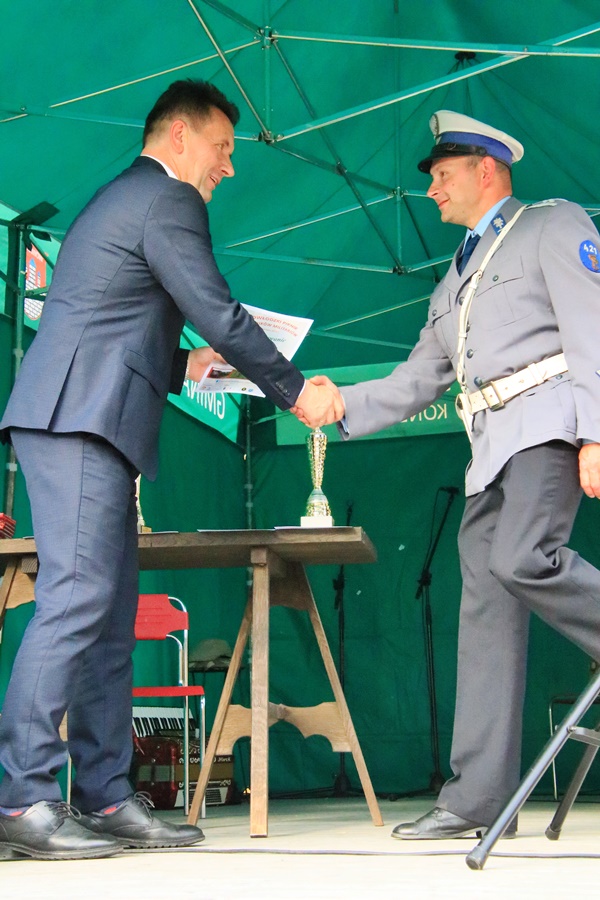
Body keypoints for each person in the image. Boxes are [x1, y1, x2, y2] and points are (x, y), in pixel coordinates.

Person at [0, 79, 337, 860]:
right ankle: (22, 798)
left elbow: (109, 322)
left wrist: (189, 366)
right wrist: (294, 391)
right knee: (76, 601)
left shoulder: (126, 200)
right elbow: (217, 308)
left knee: (108, 618)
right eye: (223, 147)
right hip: (78, 421)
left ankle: (105, 795)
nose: (229, 165)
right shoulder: (167, 198)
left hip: (89, 419)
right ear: (179, 137)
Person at [296, 110, 600, 839]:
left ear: (485, 170)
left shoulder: (551, 223)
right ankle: (477, 799)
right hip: (488, 453)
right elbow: (417, 380)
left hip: (547, 429)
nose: (430, 188)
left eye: (441, 174)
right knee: (485, 613)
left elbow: (592, 326)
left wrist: (597, 432)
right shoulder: (451, 286)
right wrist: (339, 403)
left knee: (525, 558)